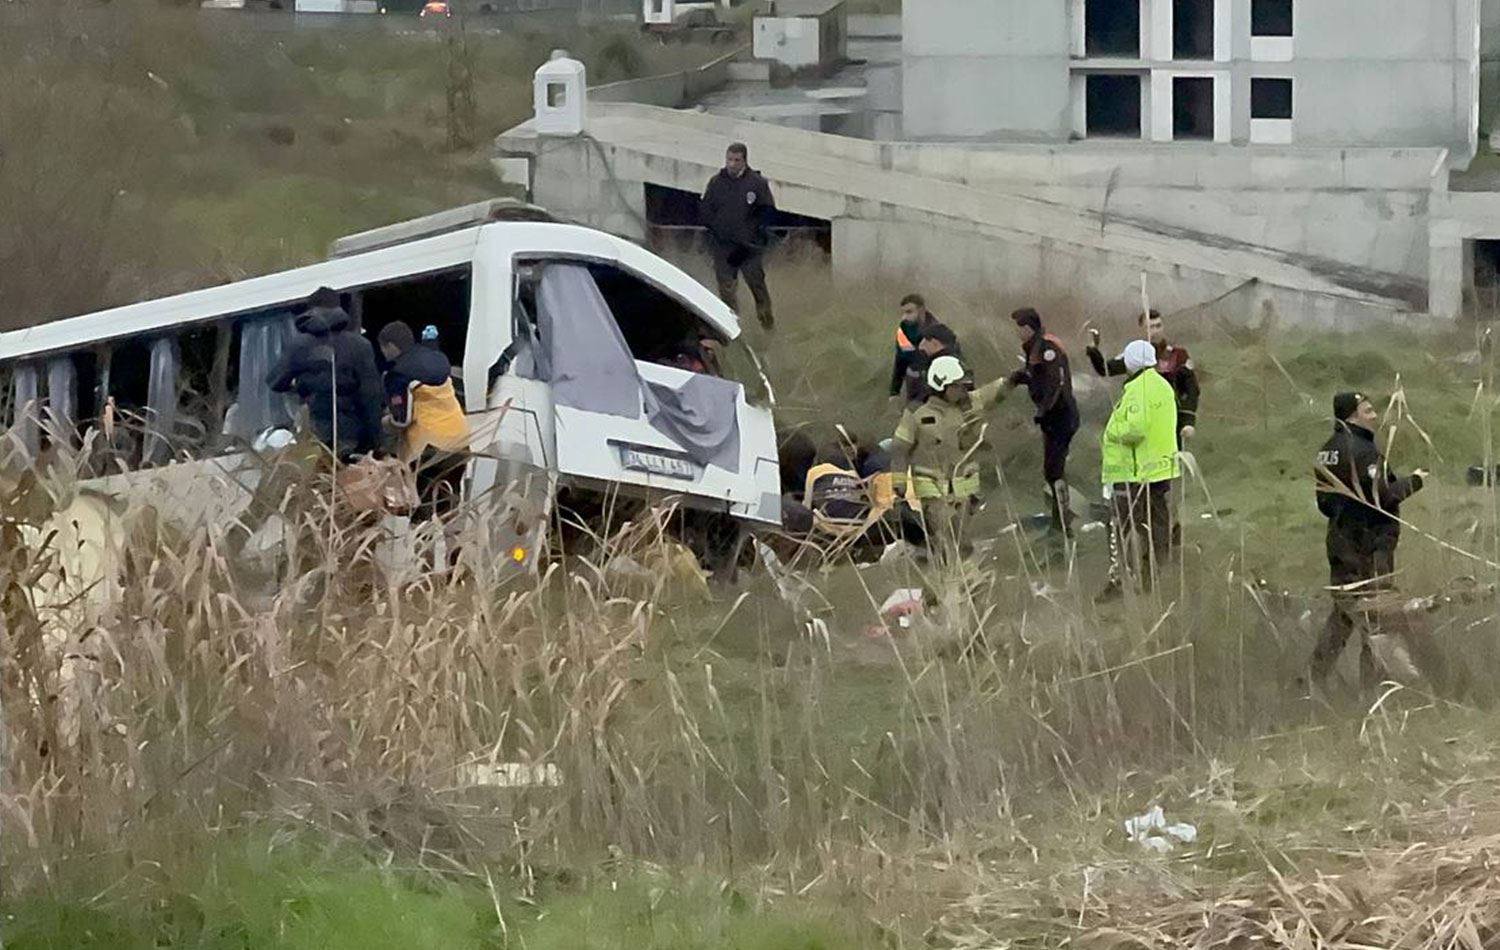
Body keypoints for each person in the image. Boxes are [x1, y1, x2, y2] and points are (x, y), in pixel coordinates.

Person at [1309, 392, 1428, 689]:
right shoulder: (1364, 453)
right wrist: (1414, 480)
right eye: (1368, 410)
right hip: (1369, 547)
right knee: (1376, 617)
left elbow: (1323, 504)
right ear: (1352, 416)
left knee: (1344, 614)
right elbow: (1382, 497)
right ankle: (1374, 686)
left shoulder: (1326, 451)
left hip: (1339, 542)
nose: (1374, 416)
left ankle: (1314, 676)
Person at [889, 355, 1011, 557]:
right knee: (952, 538)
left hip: (965, 494)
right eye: (957, 386)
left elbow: (992, 394)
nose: (962, 390)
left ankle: (953, 581)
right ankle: (957, 579)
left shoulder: (968, 406)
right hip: (934, 494)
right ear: (941, 385)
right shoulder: (916, 414)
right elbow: (900, 449)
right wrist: (899, 482)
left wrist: (1012, 380)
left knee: (957, 541)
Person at [378, 320, 472, 572]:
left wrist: (385, 422)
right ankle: (456, 565)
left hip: (429, 448)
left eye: (383, 349)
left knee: (422, 514)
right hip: (460, 441)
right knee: (450, 507)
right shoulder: (438, 358)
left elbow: (403, 418)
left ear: (390, 347)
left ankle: (425, 572)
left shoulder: (398, 373)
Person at [1098, 340, 1179, 599]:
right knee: (1155, 527)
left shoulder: (1137, 390)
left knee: (1120, 527)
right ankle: (1155, 577)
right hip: (1159, 470)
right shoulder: (1162, 386)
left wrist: (1111, 431)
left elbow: (1135, 428)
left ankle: (1121, 580)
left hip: (1133, 472)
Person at [267, 286, 384, 459]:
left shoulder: (299, 346)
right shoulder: (360, 346)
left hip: (315, 435)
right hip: (353, 435)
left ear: (311, 311)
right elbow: (371, 397)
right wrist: (375, 442)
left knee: (318, 482)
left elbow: (275, 381)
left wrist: (301, 383)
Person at [1007, 308, 1081, 536]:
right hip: (1052, 418)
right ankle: (1060, 516)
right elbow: (1037, 376)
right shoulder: (1034, 348)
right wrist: (1022, 377)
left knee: (1054, 469)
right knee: (1052, 469)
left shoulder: (1047, 348)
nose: (1017, 333)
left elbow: (1055, 382)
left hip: (1061, 416)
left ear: (1028, 328)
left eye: (1019, 328)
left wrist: (1044, 409)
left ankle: (1062, 522)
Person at [1086, 309, 1200, 444]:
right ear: (1141, 329)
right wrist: (1093, 350)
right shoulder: (1134, 355)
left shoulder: (1177, 356)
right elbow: (1106, 369)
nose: (1156, 331)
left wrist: (1188, 421)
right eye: (1151, 327)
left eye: (1159, 326)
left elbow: (1191, 389)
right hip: (1140, 420)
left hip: (1170, 421)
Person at [700, 142, 777, 330]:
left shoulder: (757, 184)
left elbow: (767, 213)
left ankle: (767, 323)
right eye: (729, 160)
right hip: (724, 248)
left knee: (757, 287)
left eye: (737, 160)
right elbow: (706, 211)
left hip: (748, 249)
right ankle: (734, 330)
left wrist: (754, 238)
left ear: (744, 161)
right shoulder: (716, 182)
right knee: (726, 292)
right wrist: (714, 235)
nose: (732, 165)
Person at [889, 293, 940, 399]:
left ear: (921, 310)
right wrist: (894, 392)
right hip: (913, 389)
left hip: (935, 390)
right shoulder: (903, 330)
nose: (904, 317)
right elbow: (900, 360)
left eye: (909, 312)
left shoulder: (938, 331)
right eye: (903, 313)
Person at [901, 321, 962, 405]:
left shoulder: (941, 366)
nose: (921, 345)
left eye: (925, 341)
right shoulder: (958, 363)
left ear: (935, 343)